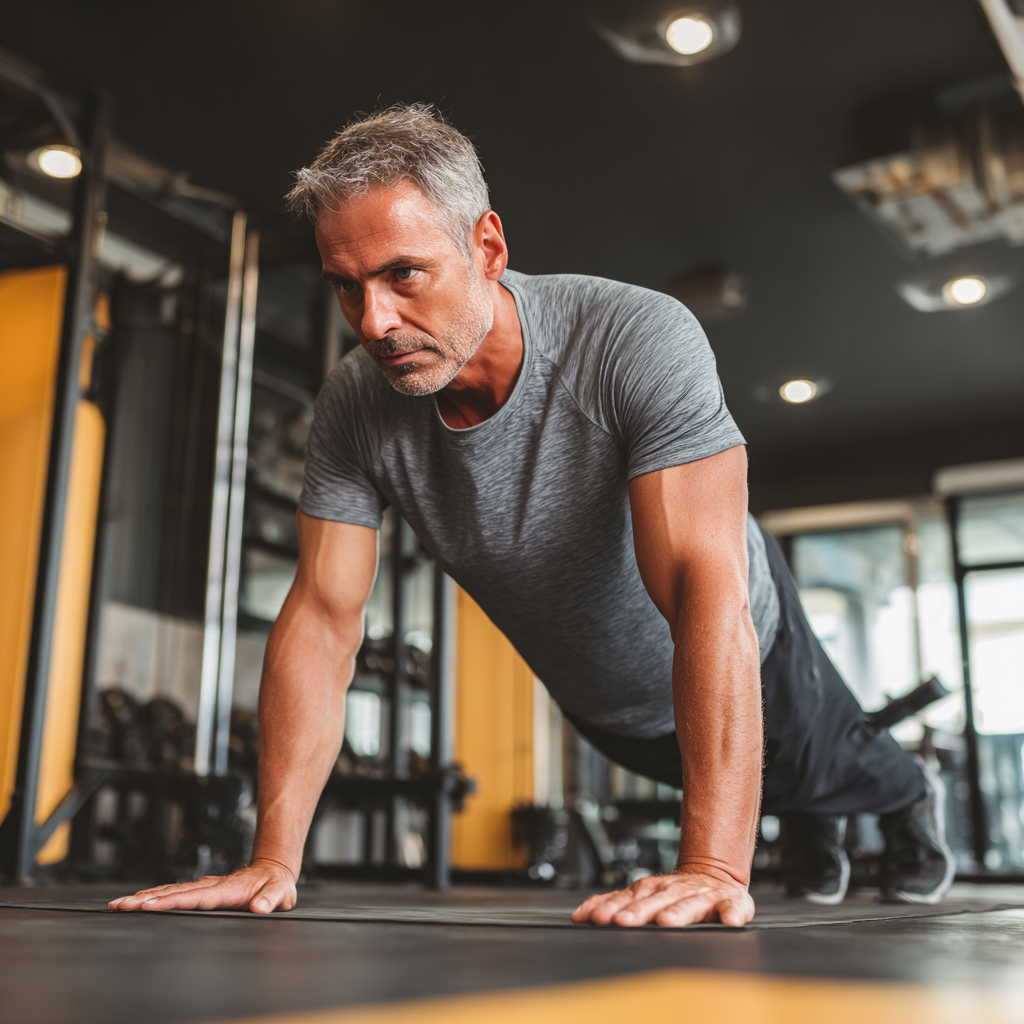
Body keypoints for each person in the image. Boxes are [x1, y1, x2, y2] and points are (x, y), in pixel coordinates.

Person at [110, 105, 954, 926]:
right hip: (603, 699)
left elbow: (707, 593)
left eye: (404, 274)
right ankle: (812, 818)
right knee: (789, 783)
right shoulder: (355, 407)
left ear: (486, 247)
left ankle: (910, 794)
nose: (374, 323)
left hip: (741, 648)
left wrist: (713, 867)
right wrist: (273, 861)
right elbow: (323, 619)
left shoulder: (631, 338)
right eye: (346, 286)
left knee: (830, 762)